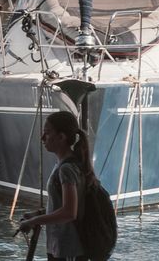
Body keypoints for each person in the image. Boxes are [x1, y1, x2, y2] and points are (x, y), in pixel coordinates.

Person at [19, 111, 101, 261]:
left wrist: (33, 222)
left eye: (47, 133)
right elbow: (63, 205)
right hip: (61, 247)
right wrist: (38, 214)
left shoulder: (66, 169)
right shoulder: (66, 165)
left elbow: (69, 212)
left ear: (61, 137)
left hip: (69, 249)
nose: (43, 138)